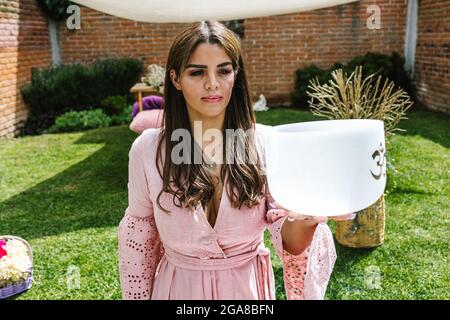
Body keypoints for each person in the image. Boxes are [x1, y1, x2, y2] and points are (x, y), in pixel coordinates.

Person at [118, 20, 355, 300]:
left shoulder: (265, 144)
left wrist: (307, 219)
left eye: (224, 70)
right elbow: (138, 243)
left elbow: (290, 240)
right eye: (197, 72)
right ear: (175, 79)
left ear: (236, 75)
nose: (212, 83)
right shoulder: (147, 150)